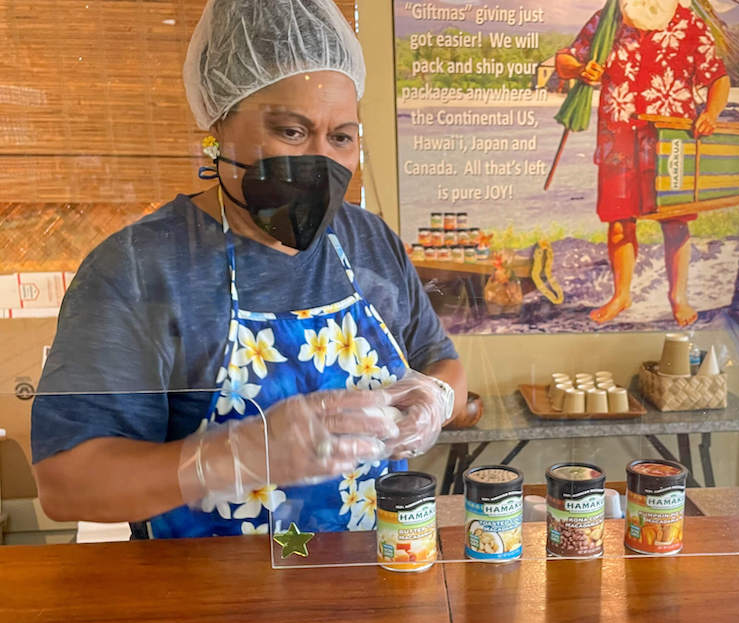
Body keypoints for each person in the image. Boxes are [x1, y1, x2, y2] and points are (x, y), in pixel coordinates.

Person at [30, 0, 466, 537]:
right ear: (218, 126)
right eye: (290, 131)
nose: (320, 161)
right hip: (206, 599)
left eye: (341, 138)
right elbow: (66, 484)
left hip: (368, 579)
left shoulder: (368, 241)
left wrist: (435, 400)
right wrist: (229, 457)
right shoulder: (141, 269)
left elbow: (443, 366)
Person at [556, 0, 731, 326]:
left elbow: (718, 77)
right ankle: (621, 295)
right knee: (620, 221)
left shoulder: (687, 22)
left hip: (671, 143)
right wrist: (581, 70)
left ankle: (678, 296)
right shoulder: (609, 17)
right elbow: (564, 60)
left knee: (675, 220)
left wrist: (711, 113)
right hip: (618, 139)